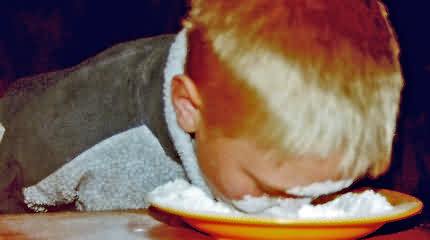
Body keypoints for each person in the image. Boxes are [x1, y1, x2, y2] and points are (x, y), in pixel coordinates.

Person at [0, 0, 403, 213]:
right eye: (269, 190)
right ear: (189, 108)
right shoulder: (72, 136)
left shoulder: (246, 141)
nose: (294, 210)